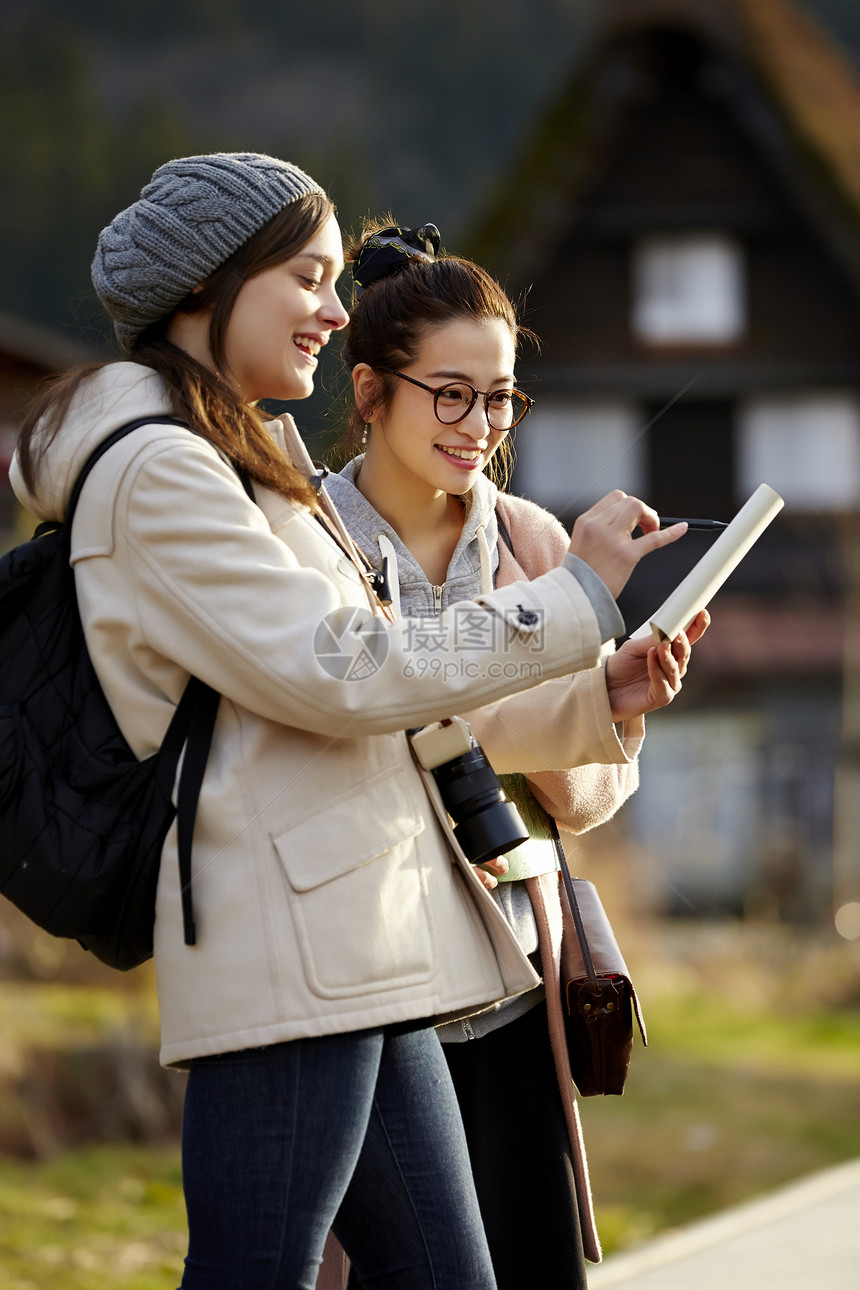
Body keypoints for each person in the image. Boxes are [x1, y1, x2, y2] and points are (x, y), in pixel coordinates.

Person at [11, 157, 686, 1290]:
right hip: (289, 946)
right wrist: (573, 598)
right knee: (253, 1271)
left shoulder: (232, 458)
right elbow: (347, 675)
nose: (335, 308)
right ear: (207, 288)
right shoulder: (163, 472)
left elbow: (388, 718)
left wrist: (589, 695)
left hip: (363, 939)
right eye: (307, 278)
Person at [324, 221, 709, 1290]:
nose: (478, 425)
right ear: (369, 392)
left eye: (497, 397)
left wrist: (612, 706)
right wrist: (553, 696)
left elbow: (580, 803)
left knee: (526, 1259)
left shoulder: (533, 540)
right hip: (369, 980)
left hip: (511, 971)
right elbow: (347, 716)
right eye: (449, 393)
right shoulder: (308, 539)